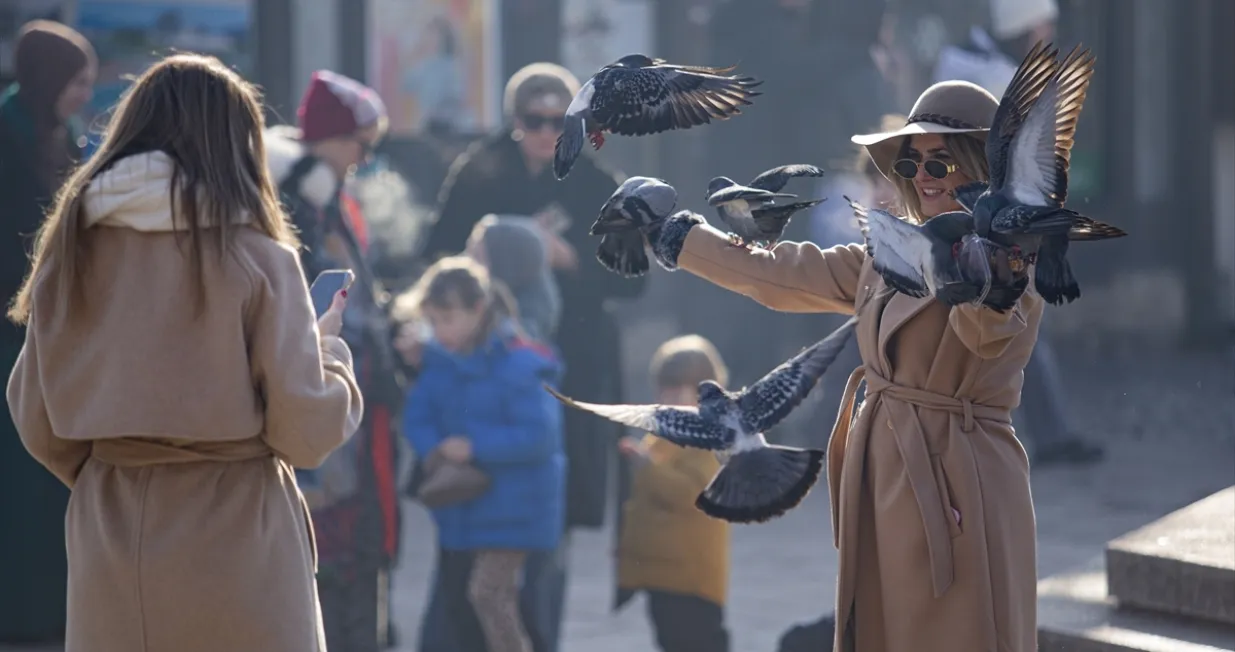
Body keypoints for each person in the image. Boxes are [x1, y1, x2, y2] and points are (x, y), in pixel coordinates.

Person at [640, 81, 1042, 651]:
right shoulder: (895, 249)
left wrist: (980, 267)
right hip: (885, 474)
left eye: (942, 158)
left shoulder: (1011, 251)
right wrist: (677, 235)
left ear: (982, 163)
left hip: (960, 481)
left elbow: (989, 335)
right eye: (911, 158)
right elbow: (783, 275)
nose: (922, 173)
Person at [4, 53, 363, 652]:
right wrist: (329, 357)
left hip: (111, 535)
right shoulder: (257, 255)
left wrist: (120, 462)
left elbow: (35, 419)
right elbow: (305, 429)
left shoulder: (70, 248)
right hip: (239, 537)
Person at [422, 61, 645, 652]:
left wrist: (572, 260)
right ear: (514, 121)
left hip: (572, 364)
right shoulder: (478, 173)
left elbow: (635, 283)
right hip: (485, 366)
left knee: (552, 515)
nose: (548, 131)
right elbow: (436, 254)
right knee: (475, 506)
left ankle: (538, 638)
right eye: (534, 120)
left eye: (559, 119)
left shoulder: (598, 182)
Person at [264, 69, 405, 651]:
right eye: (360, 144)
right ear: (328, 136)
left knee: (358, 542)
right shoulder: (293, 203)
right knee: (327, 547)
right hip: (319, 395)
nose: (363, 158)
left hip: (351, 389)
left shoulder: (329, 198)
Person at [933, 0, 1104, 466]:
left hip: (961, 215)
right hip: (978, 220)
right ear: (1025, 29)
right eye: (1042, 27)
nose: (1047, 34)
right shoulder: (990, 75)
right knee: (1011, 320)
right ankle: (1043, 435)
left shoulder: (962, 61)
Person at [398, 256, 565, 652]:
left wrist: (474, 445)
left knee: (488, 596)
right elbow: (418, 417)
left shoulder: (521, 363)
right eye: (433, 321)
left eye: (448, 319)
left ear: (478, 309)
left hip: (515, 510)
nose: (440, 332)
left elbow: (539, 435)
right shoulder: (438, 365)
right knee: (472, 607)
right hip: (464, 507)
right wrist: (435, 450)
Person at [0, 19, 96, 645]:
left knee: (51, 476)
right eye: (77, 81)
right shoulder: (6, 135)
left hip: (55, 337)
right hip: (10, 337)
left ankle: (56, 612)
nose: (85, 93)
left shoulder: (63, 135)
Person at [614, 335, 731, 652]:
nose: (669, 397)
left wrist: (647, 468)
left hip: (692, 579)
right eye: (664, 388)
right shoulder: (664, 435)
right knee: (670, 639)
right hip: (662, 574)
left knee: (697, 640)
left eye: (679, 389)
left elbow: (693, 493)